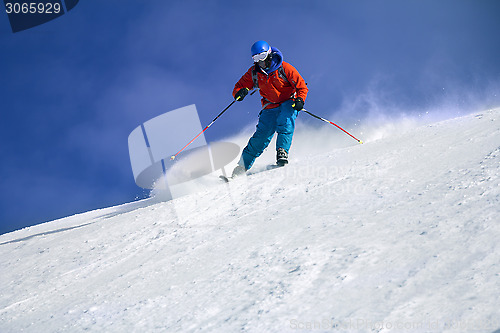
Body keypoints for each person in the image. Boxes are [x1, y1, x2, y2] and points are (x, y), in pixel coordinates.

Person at [231, 40, 308, 177]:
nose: (260, 61)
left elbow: (301, 86)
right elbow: (239, 86)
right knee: (261, 136)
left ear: (269, 54)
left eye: (262, 57)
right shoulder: (254, 72)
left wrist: (300, 100)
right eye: (256, 58)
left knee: (285, 121)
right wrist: (240, 92)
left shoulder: (284, 68)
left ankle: (282, 152)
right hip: (270, 105)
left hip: (288, 101)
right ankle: (241, 167)